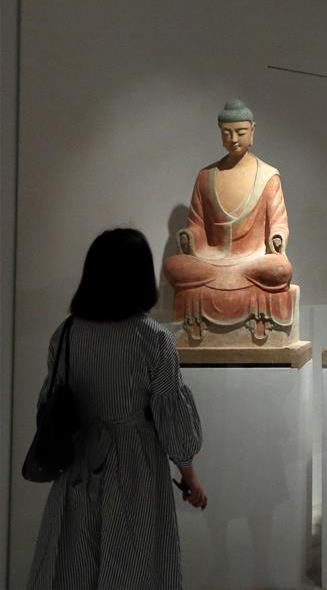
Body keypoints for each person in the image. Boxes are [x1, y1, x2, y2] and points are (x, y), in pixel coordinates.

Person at [28, 228, 206, 590]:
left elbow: (47, 403)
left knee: (74, 564)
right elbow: (172, 421)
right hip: (135, 467)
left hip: (78, 466)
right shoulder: (154, 339)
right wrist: (189, 477)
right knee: (133, 566)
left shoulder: (66, 335)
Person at [163, 99, 294, 341]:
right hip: (211, 260)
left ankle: (258, 319)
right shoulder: (206, 176)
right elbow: (196, 224)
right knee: (174, 266)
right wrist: (190, 236)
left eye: (240, 132)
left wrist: (277, 238)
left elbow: (278, 222)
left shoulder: (268, 176)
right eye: (227, 133)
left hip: (252, 261)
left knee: (280, 269)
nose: (233, 139)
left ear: (252, 131)